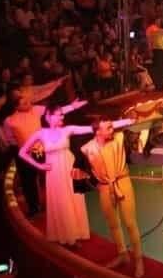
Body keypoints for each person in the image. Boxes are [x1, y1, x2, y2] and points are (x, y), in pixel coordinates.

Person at [18, 104, 133, 245]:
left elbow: (94, 128)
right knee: (60, 202)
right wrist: (39, 165)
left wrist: (126, 122)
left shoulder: (68, 129)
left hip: (68, 167)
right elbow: (22, 152)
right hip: (53, 172)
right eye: (58, 114)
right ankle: (64, 234)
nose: (62, 116)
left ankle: (75, 234)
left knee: (72, 200)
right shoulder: (40, 133)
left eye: (62, 114)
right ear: (48, 117)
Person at [3, 94, 87, 217]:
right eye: (24, 103)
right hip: (25, 151)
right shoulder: (9, 121)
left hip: (43, 149)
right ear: (16, 106)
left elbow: (56, 112)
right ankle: (34, 208)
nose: (28, 104)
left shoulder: (36, 109)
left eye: (28, 100)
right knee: (28, 181)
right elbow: (10, 139)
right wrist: (22, 146)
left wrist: (72, 107)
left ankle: (59, 205)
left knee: (50, 177)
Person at [81, 117, 144, 278]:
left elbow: (139, 133)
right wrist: (97, 183)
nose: (112, 129)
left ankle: (138, 260)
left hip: (122, 182)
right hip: (104, 187)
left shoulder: (120, 138)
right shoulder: (87, 148)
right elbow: (87, 171)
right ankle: (122, 254)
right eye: (108, 128)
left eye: (112, 126)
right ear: (97, 132)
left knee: (130, 223)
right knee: (113, 224)